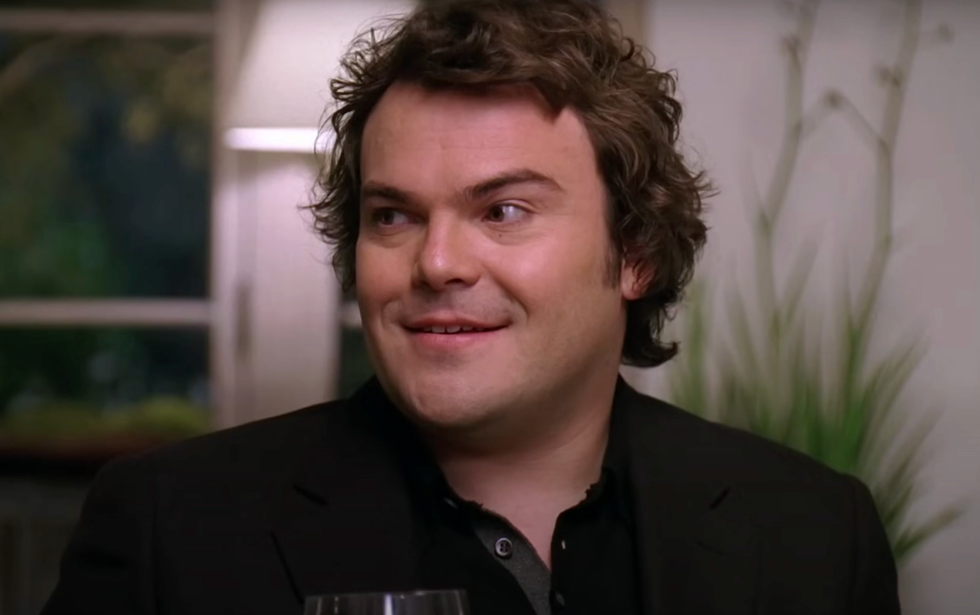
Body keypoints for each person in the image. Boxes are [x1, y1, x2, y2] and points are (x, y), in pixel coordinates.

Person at [42, 1, 899, 613]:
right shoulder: (171, 532)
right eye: (394, 215)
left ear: (635, 251)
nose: (437, 262)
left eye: (504, 210)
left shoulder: (815, 532)